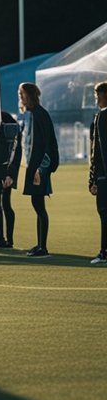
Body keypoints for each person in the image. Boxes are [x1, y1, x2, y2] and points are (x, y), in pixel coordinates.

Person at [18, 82, 58, 257]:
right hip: (34, 168)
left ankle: (43, 247)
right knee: (37, 204)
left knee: (39, 206)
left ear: (31, 95)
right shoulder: (32, 114)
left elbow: (49, 146)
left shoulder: (40, 115)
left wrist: (41, 170)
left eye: (23, 94)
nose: (21, 97)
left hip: (39, 169)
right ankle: (40, 244)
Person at [0, 111, 22, 248]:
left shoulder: (0, 120)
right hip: (1, 169)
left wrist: (8, 174)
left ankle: (1, 239)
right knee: (5, 203)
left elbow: (9, 150)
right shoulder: (7, 119)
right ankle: (7, 240)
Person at [88, 81, 107, 266]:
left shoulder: (101, 117)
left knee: (103, 213)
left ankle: (104, 252)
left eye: (98, 95)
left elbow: (99, 151)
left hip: (103, 177)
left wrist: (94, 179)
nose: (96, 99)